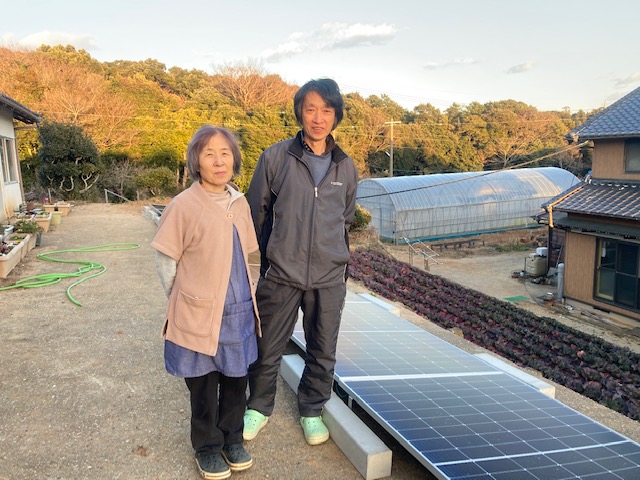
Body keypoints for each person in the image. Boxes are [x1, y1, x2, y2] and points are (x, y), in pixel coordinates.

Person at [244, 78, 358, 446]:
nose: (318, 118)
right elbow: (254, 216)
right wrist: (265, 264)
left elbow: (345, 220)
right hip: (281, 272)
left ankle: (312, 410)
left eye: (326, 110)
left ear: (336, 116)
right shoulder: (276, 157)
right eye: (310, 109)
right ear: (299, 113)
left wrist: (338, 266)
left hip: (328, 276)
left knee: (323, 349)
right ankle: (258, 408)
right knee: (267, 347)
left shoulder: (346, 167)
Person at [151, 125, 260, 480]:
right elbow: (167, 263)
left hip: (238, 310)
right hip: (197, 312)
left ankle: (232, 438)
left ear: (235, 160)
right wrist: (183, 301)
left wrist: (249, 289)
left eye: (225, 153)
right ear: (196, 160)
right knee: (202, 383)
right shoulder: (183, 205)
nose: (218, 160)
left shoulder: (239, 202)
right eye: (209, 153)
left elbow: (252, 255)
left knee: (235, 381)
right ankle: (207, 446)